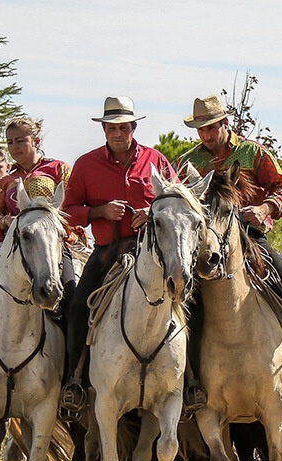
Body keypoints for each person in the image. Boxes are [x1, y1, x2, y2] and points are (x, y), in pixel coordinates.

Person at [175, 95, 282, 407]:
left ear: (224, 123)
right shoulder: (189, 163)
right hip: (206, 246)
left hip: (252, 238)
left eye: (210, 127)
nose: (205, 134)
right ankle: (188, 384)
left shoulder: (252, 152)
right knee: (183, 306)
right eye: (200, 129)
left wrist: (265, 207)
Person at [58, 97, 177, 411]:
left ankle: (189, 381)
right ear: (104, 129)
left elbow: (178, 202)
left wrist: (151, 213)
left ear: (133, 127)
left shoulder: (156, 160)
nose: (117, 133)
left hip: (152, 252)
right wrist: (99, 211)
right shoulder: (85, 165)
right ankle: (75, 380)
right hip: (106, 254)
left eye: (123, 127)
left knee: (190, 303)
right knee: (78, 306)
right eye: (112, 127)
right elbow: (67, 212)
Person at [0, 117, 74, 244]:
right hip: (18, 245)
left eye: (20, 141)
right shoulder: (6, 181)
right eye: (10, 142)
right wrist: (5, 221)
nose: (14, 147)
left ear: (36, 141)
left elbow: (75, 206)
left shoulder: (58, 168)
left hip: (57, 242)